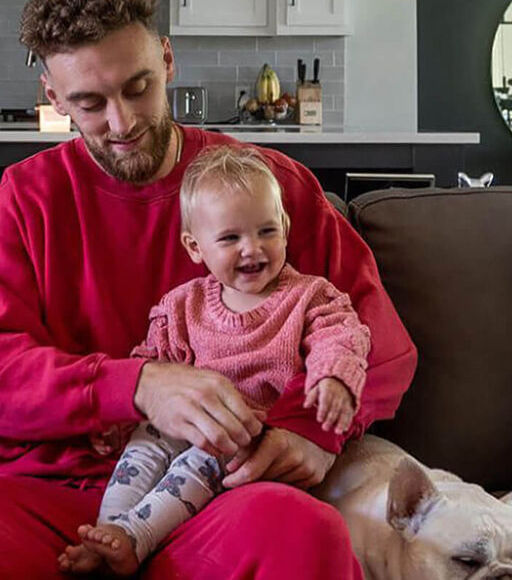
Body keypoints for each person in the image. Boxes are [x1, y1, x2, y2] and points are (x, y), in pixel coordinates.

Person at [0, 0, 418, 580]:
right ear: (52, 97)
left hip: (215, 500)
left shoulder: (268, 188)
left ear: (167, 59)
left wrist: (311, 430)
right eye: (89, 103)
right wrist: (138, 385)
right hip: (50, 501)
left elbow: (381, 347)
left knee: (302, 531)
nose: (123, 123)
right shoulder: (22, 203)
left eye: (138, 87)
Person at [59, 145, 372, 576]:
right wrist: (120, 419)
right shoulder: (182, 305)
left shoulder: (309, 296)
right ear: (195, 246)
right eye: (230, 238)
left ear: (285, 226)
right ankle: (107, 531)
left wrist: (333, 378)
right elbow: (152, 362)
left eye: (266, 231)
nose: (252, 249)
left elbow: (342, 335)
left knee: (195, 463)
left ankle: (136, 539)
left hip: (237, 433)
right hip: (177, 423)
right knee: (141, 451)